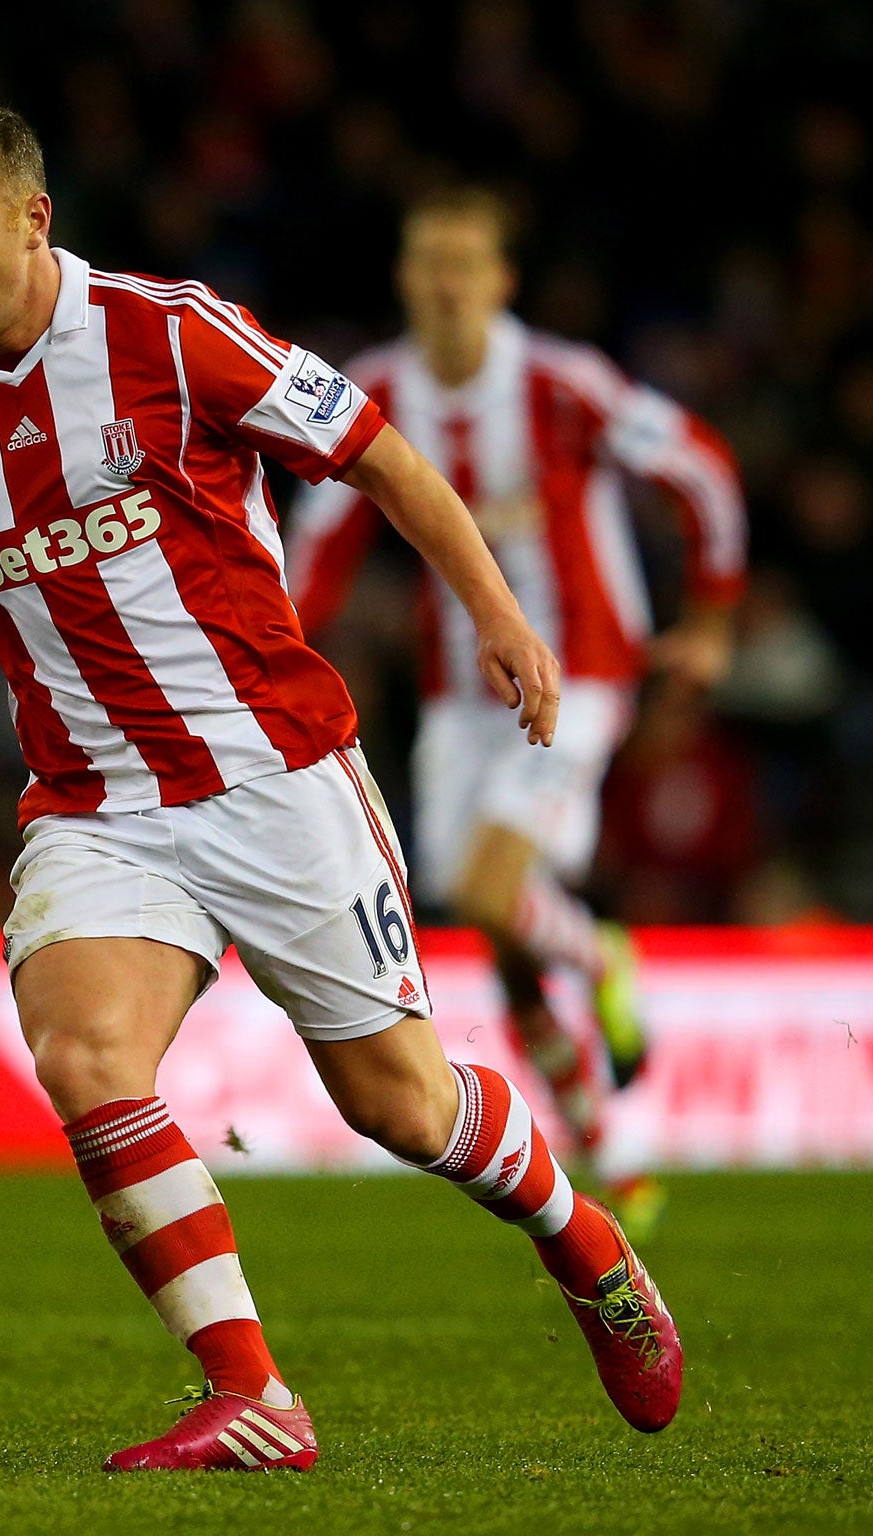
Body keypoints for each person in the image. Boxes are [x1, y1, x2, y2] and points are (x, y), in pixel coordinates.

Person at [0, 100, 683, 1473]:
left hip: (274, 769)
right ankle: (255, 1397)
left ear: (34, 218)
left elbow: (383, 457)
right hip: (98, 803)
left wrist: (501, 615)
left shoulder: (174, 332)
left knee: (402, 1106)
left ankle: (582, 1241)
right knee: (84, 1056)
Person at [286, 188, 746, 1235]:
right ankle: (608, 1157)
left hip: (577, 674)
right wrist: (268, 650)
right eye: (425, 263)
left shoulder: (557, 382)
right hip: (458, 701)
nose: (444, 284)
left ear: (500, 281)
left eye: (463, 263)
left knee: (494, 893)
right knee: (496, 936)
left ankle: (603, 957)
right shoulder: (374, 390)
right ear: (403, 279)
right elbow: (317, 547)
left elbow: (700, 471)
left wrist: (710, 622)